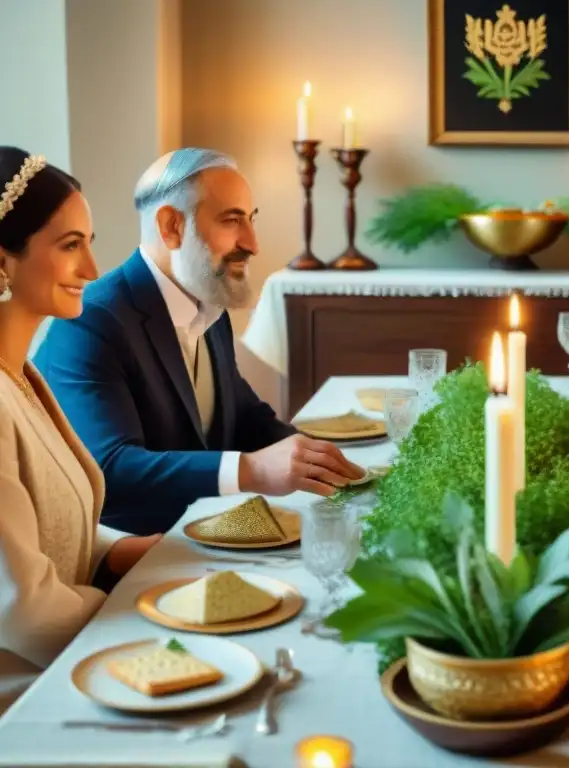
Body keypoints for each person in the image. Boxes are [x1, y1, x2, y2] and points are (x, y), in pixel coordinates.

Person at [36, 149, 363, 536]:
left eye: (250, 219)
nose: (252, 243)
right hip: (129, 554)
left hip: (208, 530)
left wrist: (322, 461)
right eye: (232, 220)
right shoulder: (92, 320)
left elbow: (240, 415)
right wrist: (252, 470)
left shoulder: (210, 305)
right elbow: (111, 470)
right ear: (172, 226)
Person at [0, 148, 161, 712]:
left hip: (67, 659)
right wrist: (158, 615)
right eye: (71, 245)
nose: (93, 270)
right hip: (26, 692)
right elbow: (22, 610)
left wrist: (129, 553)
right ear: (4, 261)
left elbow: (48, 527)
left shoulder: (22, 376)